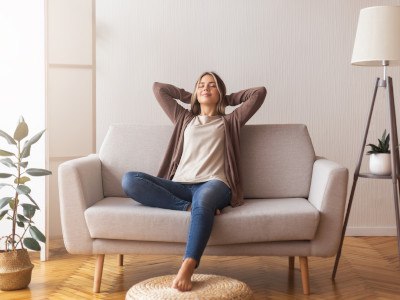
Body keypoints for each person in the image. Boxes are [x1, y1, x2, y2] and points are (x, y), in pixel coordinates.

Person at [122, 71, 267, 292]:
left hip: (214, 183)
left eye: (212, 86)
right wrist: (193, 96)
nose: (205, 89)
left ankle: (188, 265)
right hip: (180, 185)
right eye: (201, 85)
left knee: (205, 200)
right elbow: (159, 88)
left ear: (220, 92)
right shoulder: (184, 119)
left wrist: (226, 98)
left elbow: (259, 93)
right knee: (130, 180)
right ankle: (187, 207)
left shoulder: (230, 121)